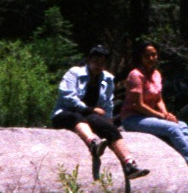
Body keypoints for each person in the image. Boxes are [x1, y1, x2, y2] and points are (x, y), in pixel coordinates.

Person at [119, 41, 188, 176]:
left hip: (150, 116)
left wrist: (166, 114)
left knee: (181, 124)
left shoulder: (157, 74)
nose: (151, 58)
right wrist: (160, 116)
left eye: (154, 55)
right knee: (172, 128)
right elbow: (137, 105)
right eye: (147, 56)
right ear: (140, 57)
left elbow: (158, 99)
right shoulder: (136, 75)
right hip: (133, 119)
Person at [52, 45, 150, 180]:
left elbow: (108, 104)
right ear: (89, 60)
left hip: (89, 116)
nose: (99, 64)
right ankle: (93, 143)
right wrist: (90, 109)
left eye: (102, 62)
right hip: (65, 113)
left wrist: (108, 122)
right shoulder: (74, 73)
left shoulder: (107, 78)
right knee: (76, 116)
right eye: (96, 60)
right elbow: (67, 97)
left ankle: (130, 165)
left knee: (110, 129)